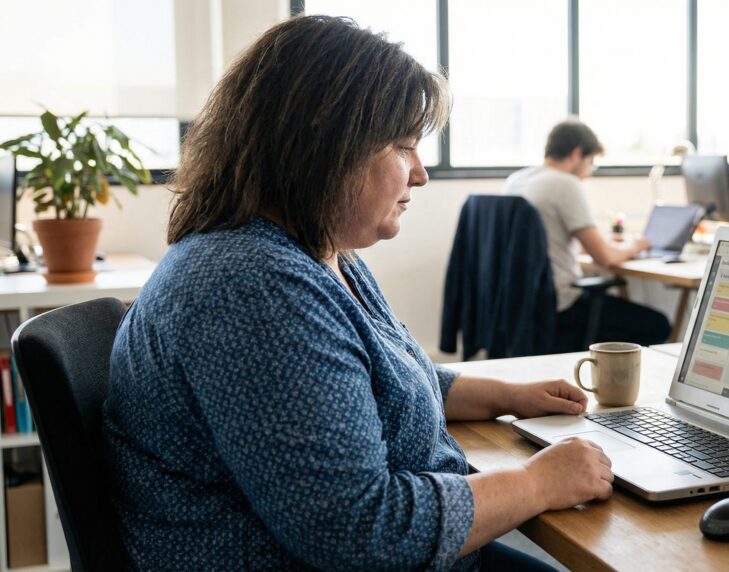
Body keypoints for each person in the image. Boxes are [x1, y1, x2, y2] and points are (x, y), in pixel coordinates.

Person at [102, 16, 613, 571]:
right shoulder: (256, 289)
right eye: (403, 147)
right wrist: (536, 482)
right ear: (325, 148)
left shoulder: (315, 252)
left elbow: (369, 382)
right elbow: (362, 533)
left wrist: (506, 395)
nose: (419, 175)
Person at [502, 120, 671, 352]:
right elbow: (605, 258)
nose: (589, 173)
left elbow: (546, 241)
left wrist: (605, 245)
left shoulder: (518, 180)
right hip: (562, 305)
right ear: (577, 153)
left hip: (523, 304)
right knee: (658, 325)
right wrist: (637, 245)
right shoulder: (564, 184)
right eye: (591, 162)